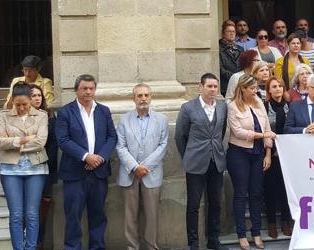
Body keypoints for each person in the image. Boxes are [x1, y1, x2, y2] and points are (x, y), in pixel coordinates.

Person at [55, 74, 118, 249]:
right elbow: (63, 140)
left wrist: (100, 158)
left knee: (98, 215)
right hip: (75, 173)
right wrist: (85, 156)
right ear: (76, 90)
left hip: (99, 173)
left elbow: (112, 137)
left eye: (91, 88)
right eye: (84, 88)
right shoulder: (65, 112)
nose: (88, 92)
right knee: (73, 216)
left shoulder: (103, 111)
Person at [176, 73, 230, 250]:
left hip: (216, 161)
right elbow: (180, 136)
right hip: (195, 162)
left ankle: (213, 239)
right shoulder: (188, 108)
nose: (213, 89)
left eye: (215, 86)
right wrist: (189, 156)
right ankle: (193, 243)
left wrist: (215, 150)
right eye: (209, 86)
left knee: (215, 202)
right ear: (201, 87)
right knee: (193, 204)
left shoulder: (222, 107)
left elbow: (220, 132)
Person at [0, 83, 49, 250]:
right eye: (17, 104)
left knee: (32, 214)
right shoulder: (4, 115)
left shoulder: (41, 115)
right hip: (10, 170)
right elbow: (0, 142)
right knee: (16, 214)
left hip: (36, 168)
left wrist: (13, 142)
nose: (21, 108)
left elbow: (41, 142)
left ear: (30, 101)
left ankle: (30, 248)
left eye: (25, 104)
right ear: (12, 101)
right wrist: (24, 139)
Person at [115, 84, 169, 250]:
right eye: (139, 96)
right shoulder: (124, 120)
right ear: (134, 99)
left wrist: (144, 166)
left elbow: (163, 145)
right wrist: (134, 167)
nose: (143, 98)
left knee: (152, 216)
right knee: (130, 216)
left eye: (146, 95)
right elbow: (120, 146)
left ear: (151, 97)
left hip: (151, 174)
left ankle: (152, 247)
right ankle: (132, 247)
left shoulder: (162, 120)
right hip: (129, 174)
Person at [226, 75, 276, 250]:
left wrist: (268, 153)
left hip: (258, 153)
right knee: (240, 194)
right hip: (239, 153)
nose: (255, 91)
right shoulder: (232, 106)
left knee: (255, 193)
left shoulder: (259, 102)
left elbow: (268, 128)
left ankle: (256, 232)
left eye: (256, 88)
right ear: (243, 89)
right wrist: (262, 136)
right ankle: (241, 234)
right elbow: (238, 132)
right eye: (252, 88)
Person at [28, 84, 60, 244]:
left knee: (43, 208)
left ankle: (39, 242)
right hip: (26, 168)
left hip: (46, 166)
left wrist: (47, 164)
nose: (37, 98)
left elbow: (54, 144)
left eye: (39, 95)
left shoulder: (50, 117)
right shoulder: (22, 117)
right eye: (33, 96)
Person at [262, 77, 292, 238]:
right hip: (270, 155)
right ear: (269, 90)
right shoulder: (265, 106)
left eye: (280, 86)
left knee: (286, 190)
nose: (278, 89)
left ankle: (286, 221)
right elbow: (265, 131)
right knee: (271, 190)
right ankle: (272, 223)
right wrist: (268, 152)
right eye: (274, 86)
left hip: (288, 156)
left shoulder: (290, 106)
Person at [219, 21, 244, 96]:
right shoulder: (218, 49)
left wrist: (241, 78)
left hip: (240, 86)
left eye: (233, 31)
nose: (232, 33)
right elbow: (220, 69)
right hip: (226, 87)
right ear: (223, 33)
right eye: (229, 31)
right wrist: (235, 78)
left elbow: (245, 67)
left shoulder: (240, 49)